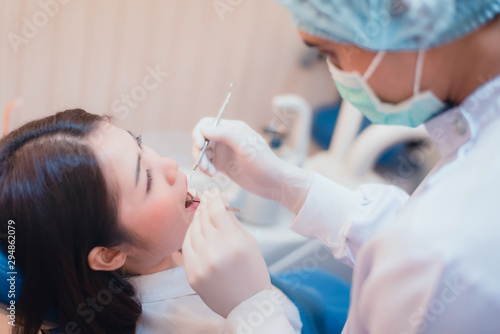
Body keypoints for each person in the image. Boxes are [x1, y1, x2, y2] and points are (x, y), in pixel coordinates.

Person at [188, 1, 500, 333]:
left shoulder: (445, 255)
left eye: (329, 54)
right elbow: (406, 236)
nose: (338, 76)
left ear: (414, 17)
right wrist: (285, 185)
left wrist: (252, 312)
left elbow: (424, 252)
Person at [1, 109, 332, 333]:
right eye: (146, 180)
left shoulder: (169, 243)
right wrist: (251, 305)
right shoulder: (186, 324)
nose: (170, 165)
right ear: (108, 254)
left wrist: (281, 183)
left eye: (141, 145)